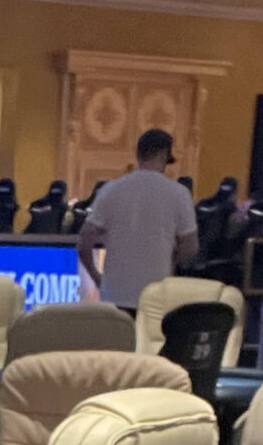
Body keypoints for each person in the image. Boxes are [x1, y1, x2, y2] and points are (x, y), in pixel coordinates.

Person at [77, 128, 201, 310]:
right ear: (164, 155)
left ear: (138, 154)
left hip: (114, 295)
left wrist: (97, 278)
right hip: (156, 295)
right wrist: (171, 258)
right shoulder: (179, 194)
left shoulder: (111, 190)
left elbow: (84, 242)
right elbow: (190, 248)